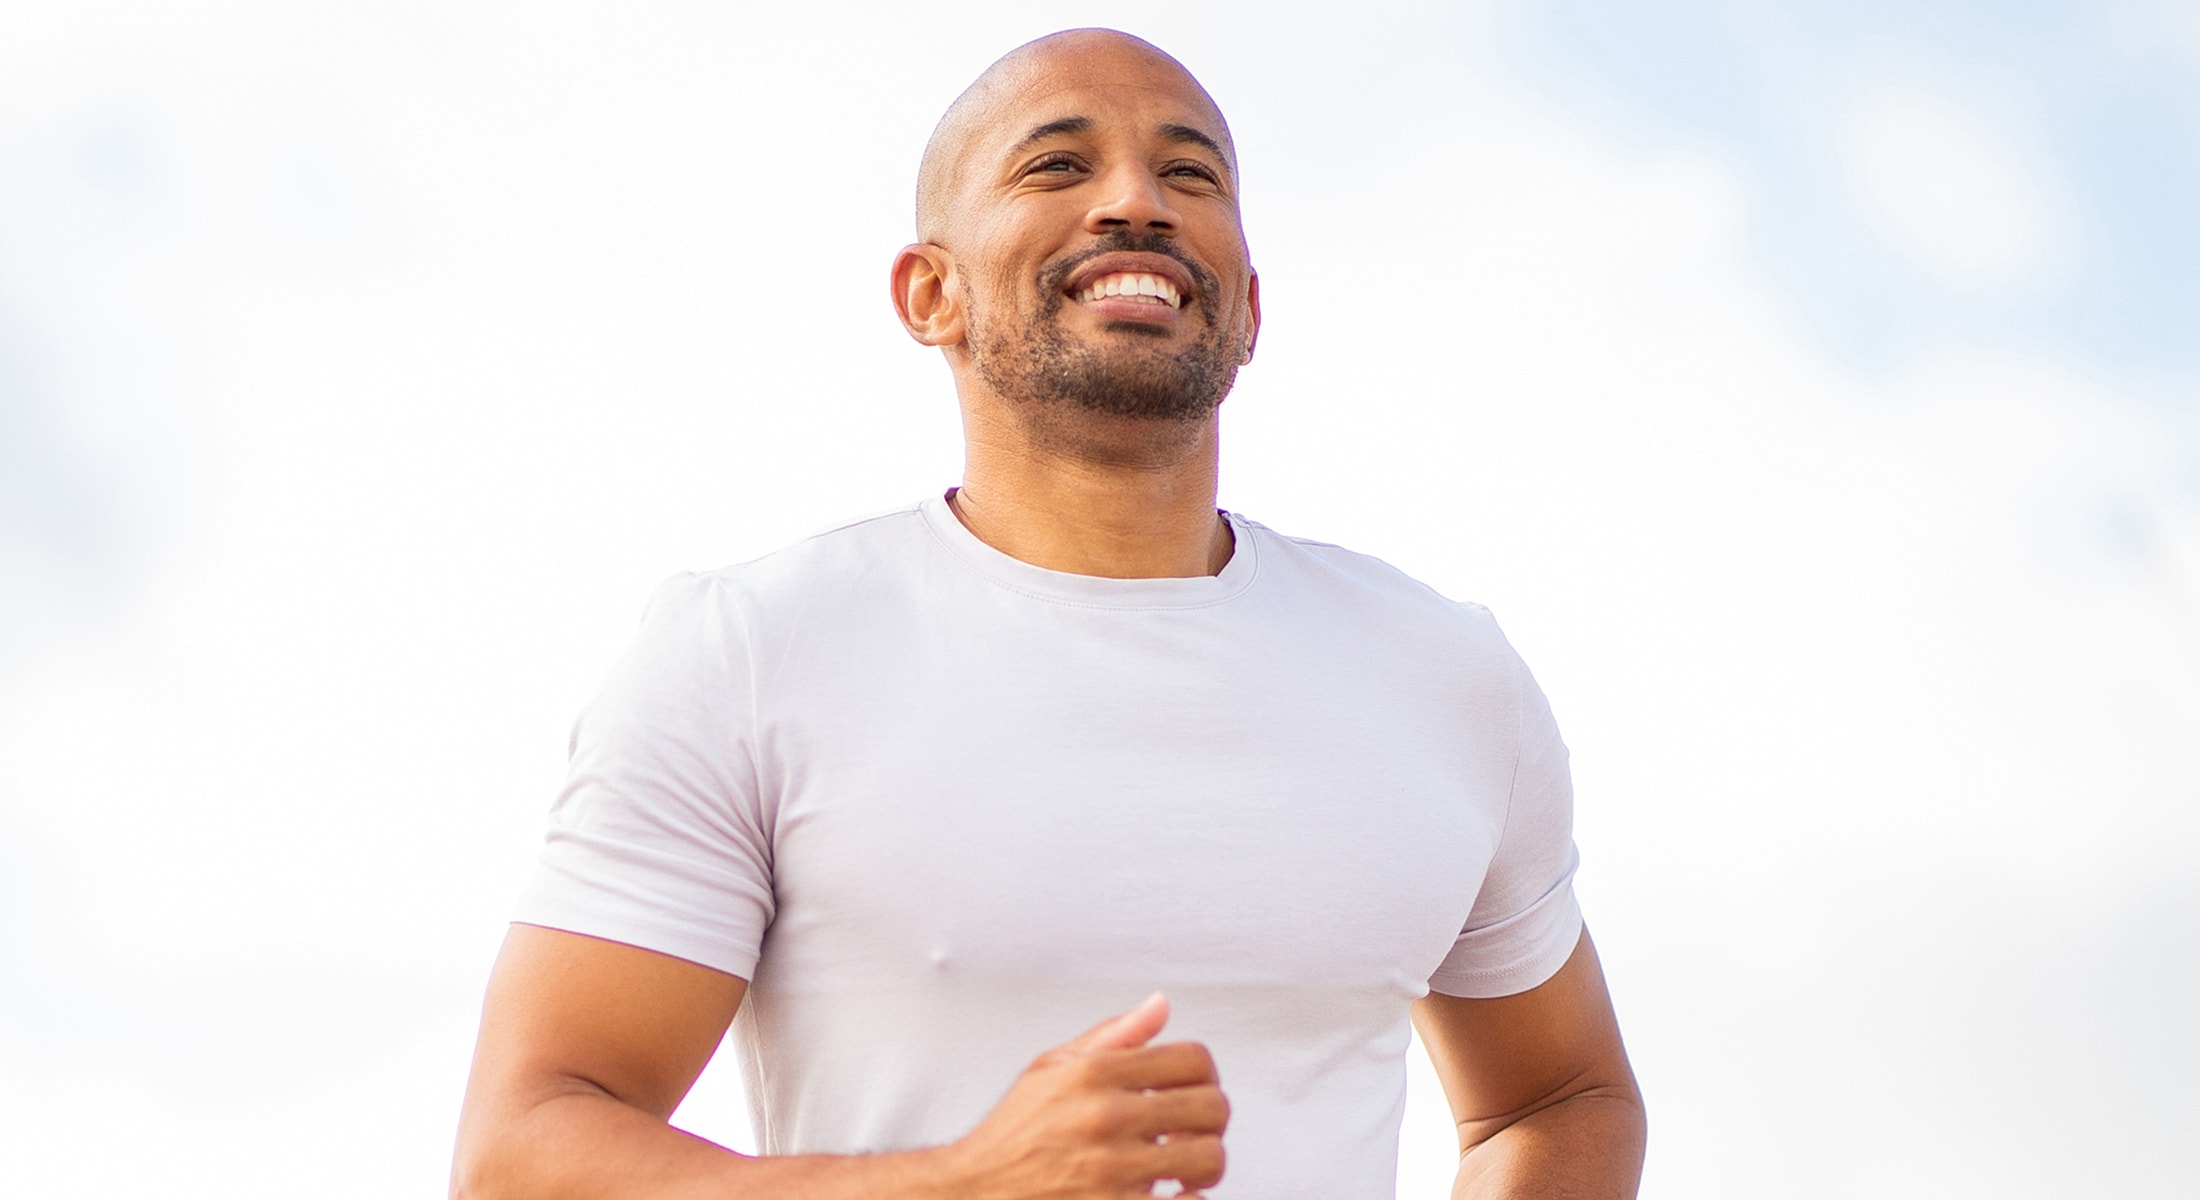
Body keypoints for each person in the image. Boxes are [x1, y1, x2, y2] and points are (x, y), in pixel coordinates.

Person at [451, 27, 1645, 1200]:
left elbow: (1559, 1100)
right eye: (1056, 165)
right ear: (931, 293)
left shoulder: (1442, 675)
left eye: (1190, 173)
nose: (1136, 200)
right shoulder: (752, 653)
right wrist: (961, 1186)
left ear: (1247, 306)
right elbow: (522, 1157)